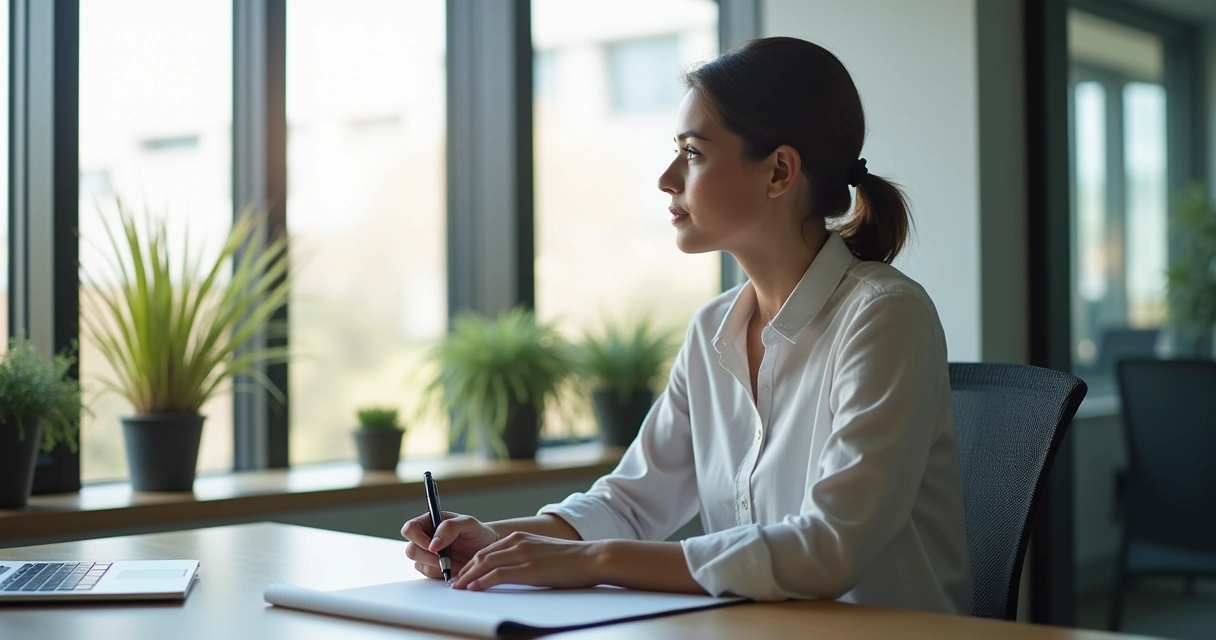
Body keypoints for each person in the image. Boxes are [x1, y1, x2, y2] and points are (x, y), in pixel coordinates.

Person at [402, 36, 972, 615]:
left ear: (778, 171)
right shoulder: (712, 331)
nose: (667, 178)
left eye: (693, 154)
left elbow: (829, 549)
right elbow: (630, 503)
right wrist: (495, 541)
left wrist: (593, 561)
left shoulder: (883, 316)